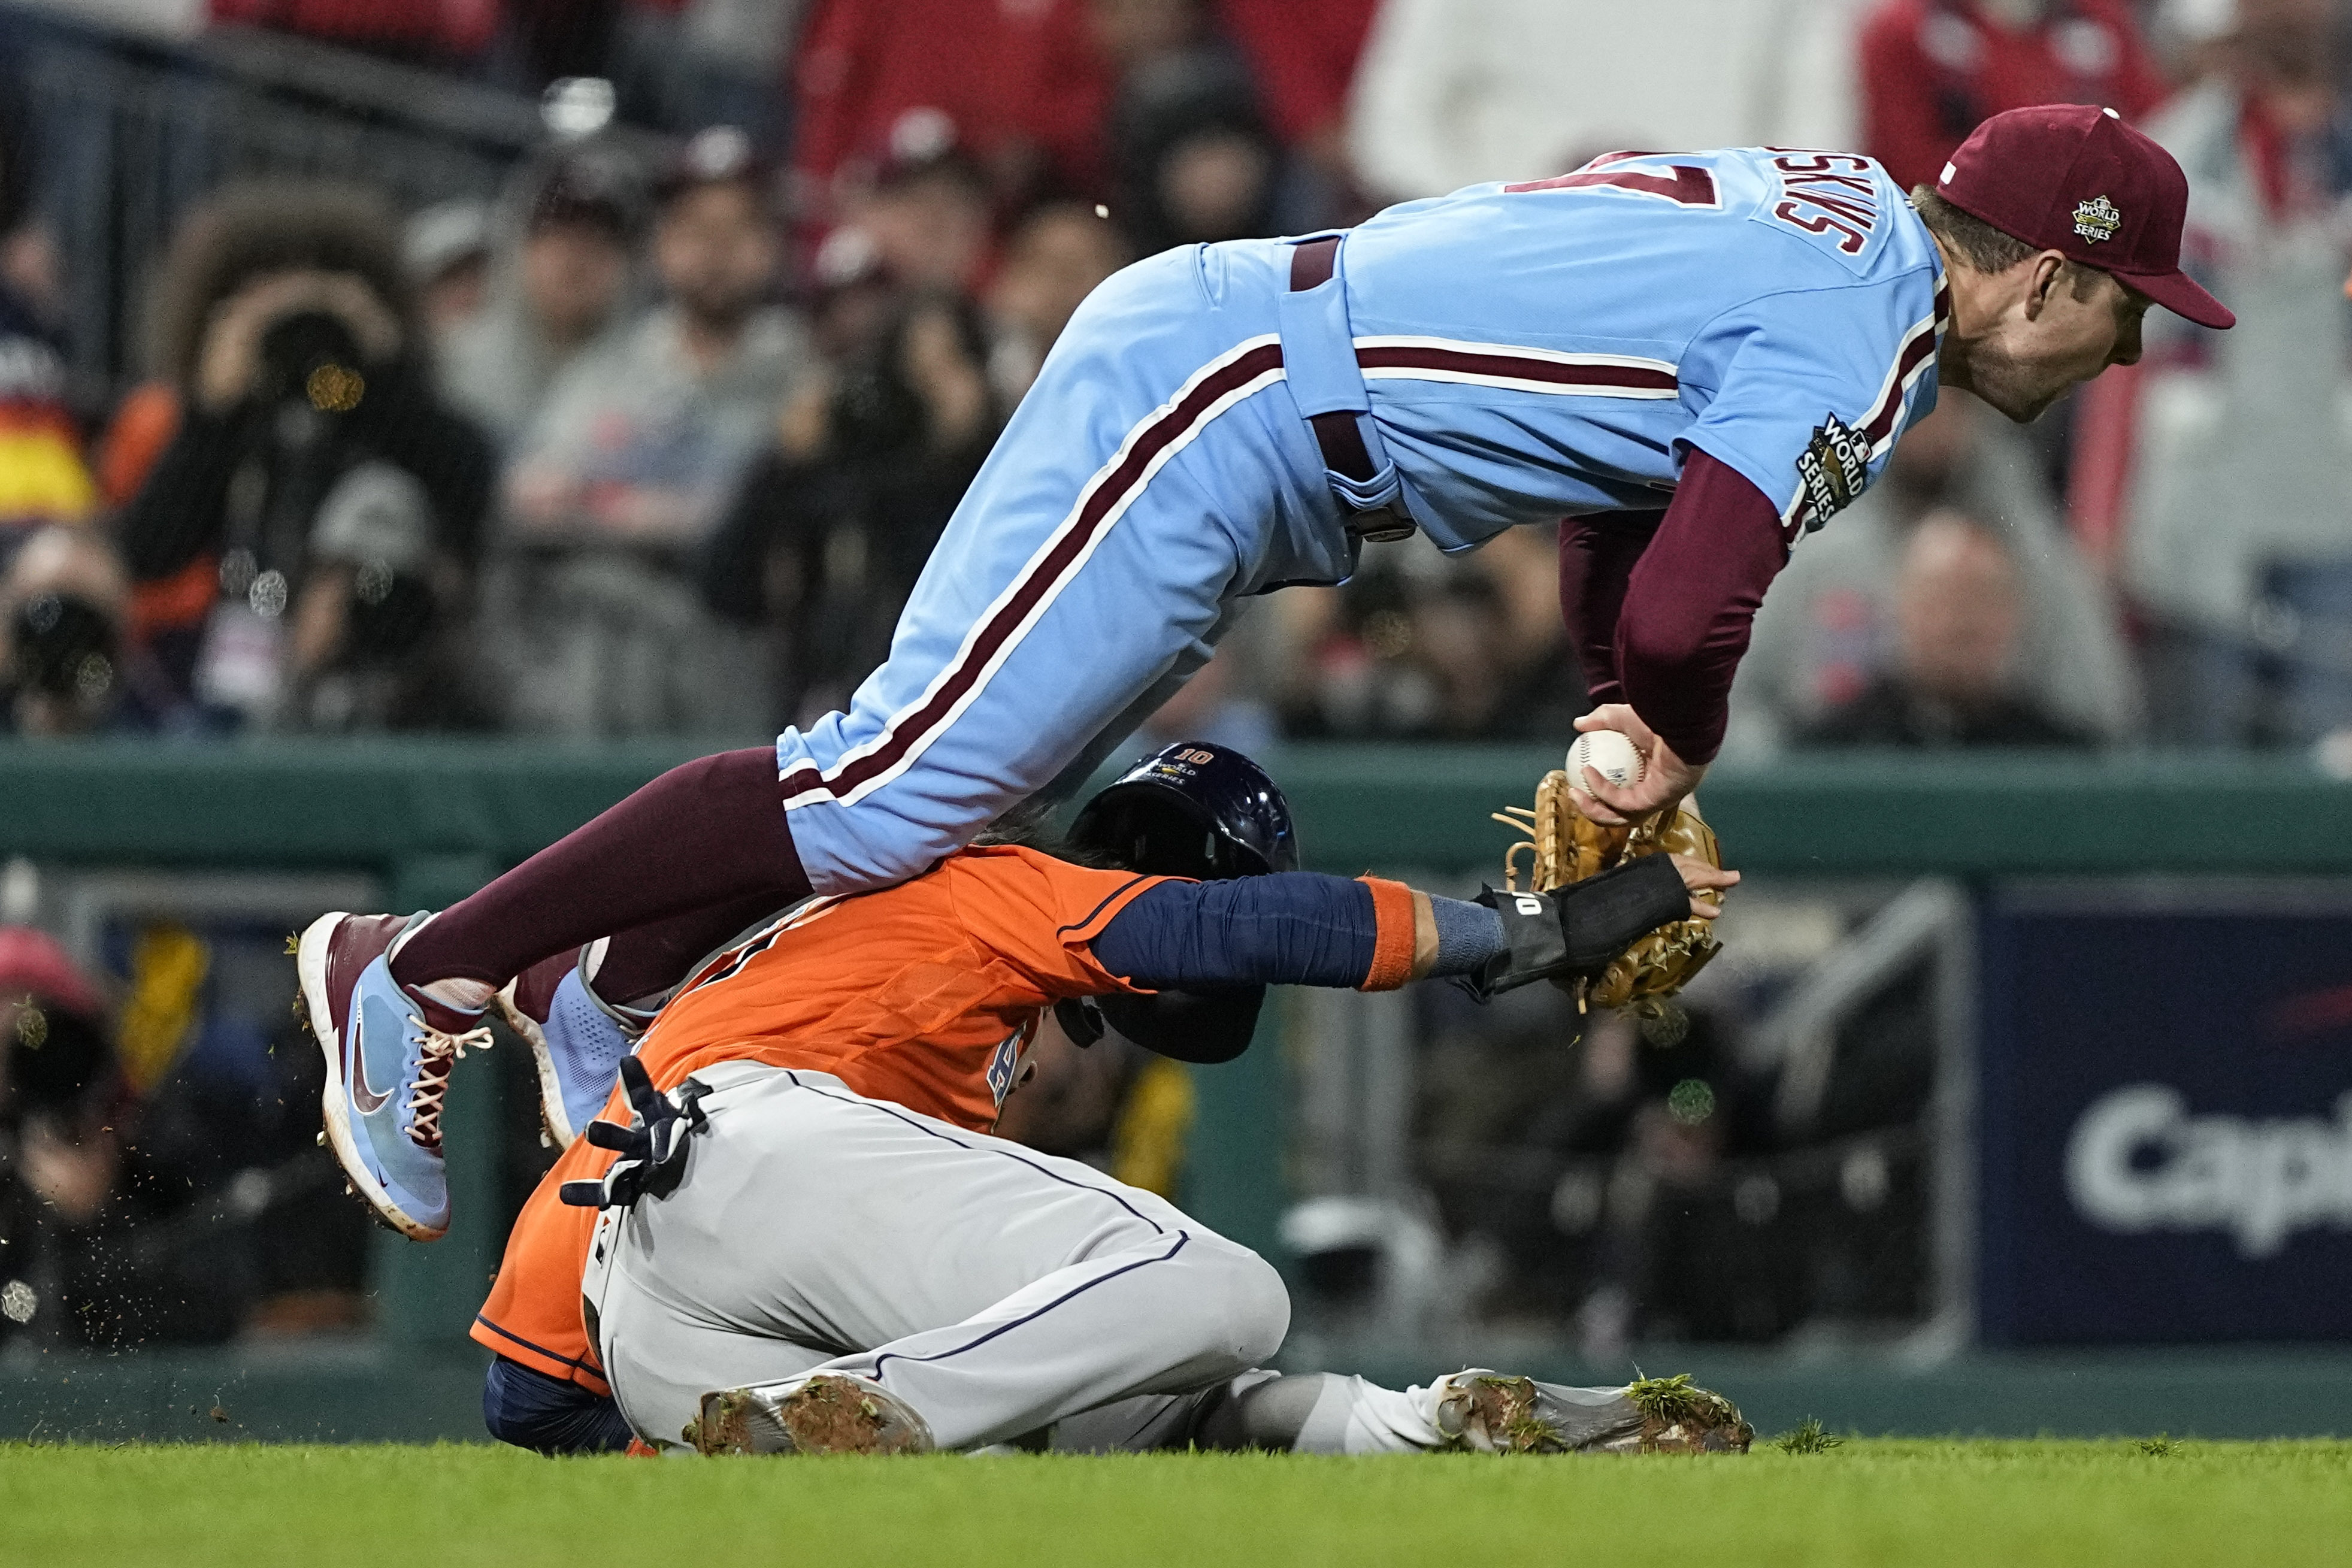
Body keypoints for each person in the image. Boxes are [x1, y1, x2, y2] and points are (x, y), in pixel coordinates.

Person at [302, 105, 2230, 1240]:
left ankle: (594, 976)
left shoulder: (1831, 214)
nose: (2122, 357)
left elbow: (1620, 511)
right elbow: (1686, 595)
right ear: (2048, 274)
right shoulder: (1881, 325)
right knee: (886, 781)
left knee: (924, 790)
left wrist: (1622, 719)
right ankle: (412, 966)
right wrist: (1663, 737)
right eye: (2125, 315)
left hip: (1253, 407)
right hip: (1227, 399)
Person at [455, 743, 1745, 1455]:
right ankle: (891, 1412)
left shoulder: (892, 980)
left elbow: (526, 1400)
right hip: (742, 1153)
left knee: (1127, 1405)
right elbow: (1227, 931)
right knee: (1237, 1294)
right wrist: (1517, 932)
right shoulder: (995, 876)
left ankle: (1425, 1432)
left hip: (657, 1317)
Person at [112, 181, 495, 733]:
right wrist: (214, 411)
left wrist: (381, 370)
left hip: (387, 696)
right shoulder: (220, 421)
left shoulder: (387, 415)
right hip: (227, 694)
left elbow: (469, 485)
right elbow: (150, 550)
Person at [489, 126, 818, 738]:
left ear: (774, 247)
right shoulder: (611, 363)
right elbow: (532, 500)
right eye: (695, 229)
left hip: (737, 657)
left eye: (739, 231)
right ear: (663, 244)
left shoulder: (808, 375)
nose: (715, 252)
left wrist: (619, 505)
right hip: (597, 654)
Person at [1796, 508, 2096, 747]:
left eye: (1982, 598)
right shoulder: (1830, 755)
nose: (1960, 622)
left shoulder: (2059, 763)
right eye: (1940, 599)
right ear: (1901, 608)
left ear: (2015, 614)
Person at [1857, 0, 2170, 192]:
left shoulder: (2098, 23)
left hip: (2084, 236)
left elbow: (2161, 131)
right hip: (1959, 243)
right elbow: (1909, 169)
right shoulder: (1906, 30)